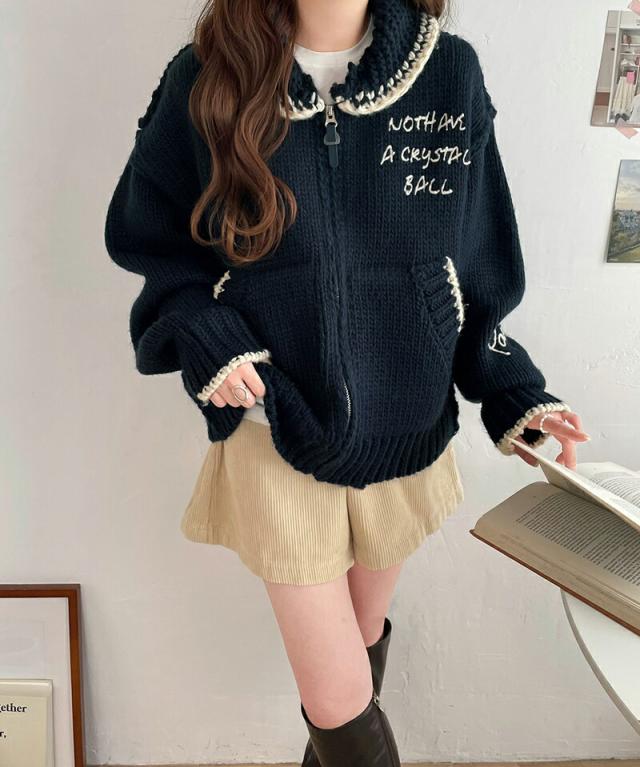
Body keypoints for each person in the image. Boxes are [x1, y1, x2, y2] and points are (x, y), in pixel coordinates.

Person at [103, 0, 590, 762]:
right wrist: (207, 334)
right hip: (276, 427)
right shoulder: (207, 77)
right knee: (338, 697)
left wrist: (512, 390)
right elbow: (153, 244)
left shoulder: (447, 73)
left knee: (358, 662)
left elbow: (479, 262)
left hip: (407, 428)